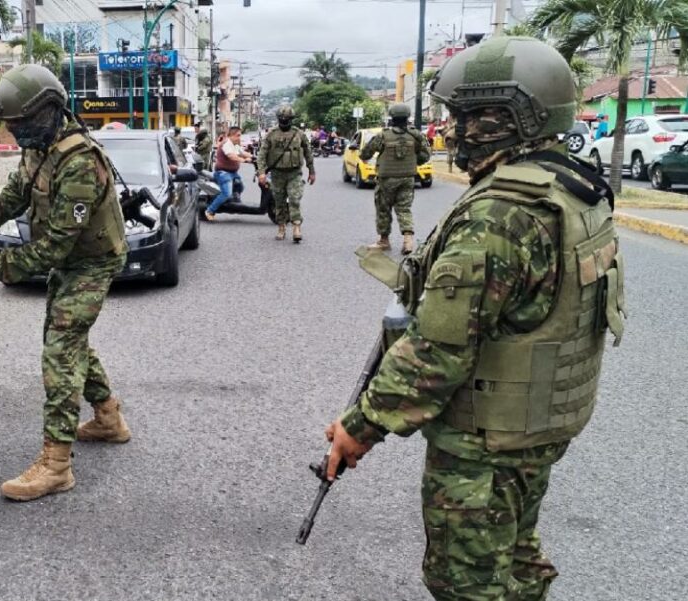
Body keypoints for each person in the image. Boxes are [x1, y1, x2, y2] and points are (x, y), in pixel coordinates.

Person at [325, 36, 624, 600]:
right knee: (514, 555)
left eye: (466, 118)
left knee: (465, 581)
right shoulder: (570, 184)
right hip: (536, 423)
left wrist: (359, 428)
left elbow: (437, 348)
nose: (454, 133)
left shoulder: (502, 214)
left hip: (489, 439)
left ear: (508, 117)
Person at [0, 63, 131, 503]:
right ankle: (109, 419)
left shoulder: (80, 163)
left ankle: (57, 466)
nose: (17, 133)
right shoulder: (40, 147)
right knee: (70, 339)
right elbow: (15, 195)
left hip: (91, 263)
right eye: (13, 125)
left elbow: (51, 252)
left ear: (52, 110)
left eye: (24, 124)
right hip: (70, 259)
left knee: (60, 351)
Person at [360, 102, 430, 254]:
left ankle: (384, 240)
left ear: (392, 118)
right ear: (408, 118)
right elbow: (425, 156)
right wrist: (414, 160)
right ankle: (408, 241)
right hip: (408, 178)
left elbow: (365, 153)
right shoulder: (415, 135)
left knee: (383, 209)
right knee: (404, 209)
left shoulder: (383, 135)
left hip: (387, 179)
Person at [257, 106, 315, 242]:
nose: (284, 121)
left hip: (294, 173)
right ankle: (281, 227)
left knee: (294, 199)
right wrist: (261, 173)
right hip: (277, 174)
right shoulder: (271, 134)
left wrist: (311, 171)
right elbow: (262, 155)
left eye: (287, 119)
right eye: (282, 119)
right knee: (279, 201)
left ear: (291, 119)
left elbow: (308, 153)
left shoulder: (299, 134)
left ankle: (296, 227)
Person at [205, 126, 253, 220]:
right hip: (223, 173)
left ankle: (233, 202)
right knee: (226, 193)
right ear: (231, 135)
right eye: (238, 135)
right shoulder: (226, 143)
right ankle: (210, 211)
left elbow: (242, 152)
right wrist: (244, 160)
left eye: (240, 135)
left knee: (240, 187)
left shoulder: (235, 144)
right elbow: (231, 156)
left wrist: (254, 157)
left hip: (232, 173)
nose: (239, 138)